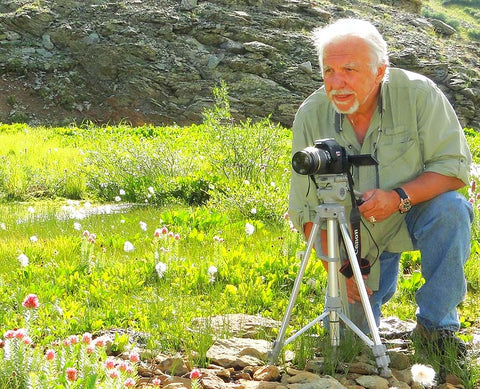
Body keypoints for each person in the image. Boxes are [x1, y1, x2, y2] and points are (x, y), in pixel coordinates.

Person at [288, 18, 473, 354]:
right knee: (351, 344)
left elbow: (455, 170)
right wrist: (340, 269)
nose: (337, 82)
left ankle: (437, 329)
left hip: (412, 212)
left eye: (349, 69)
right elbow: (306, 209)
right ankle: (367, 302)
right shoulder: (311, 115)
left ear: (380, 70)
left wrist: (399, 197)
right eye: (328, 71)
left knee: (452, 210)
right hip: (354, 240)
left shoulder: (419, 95)